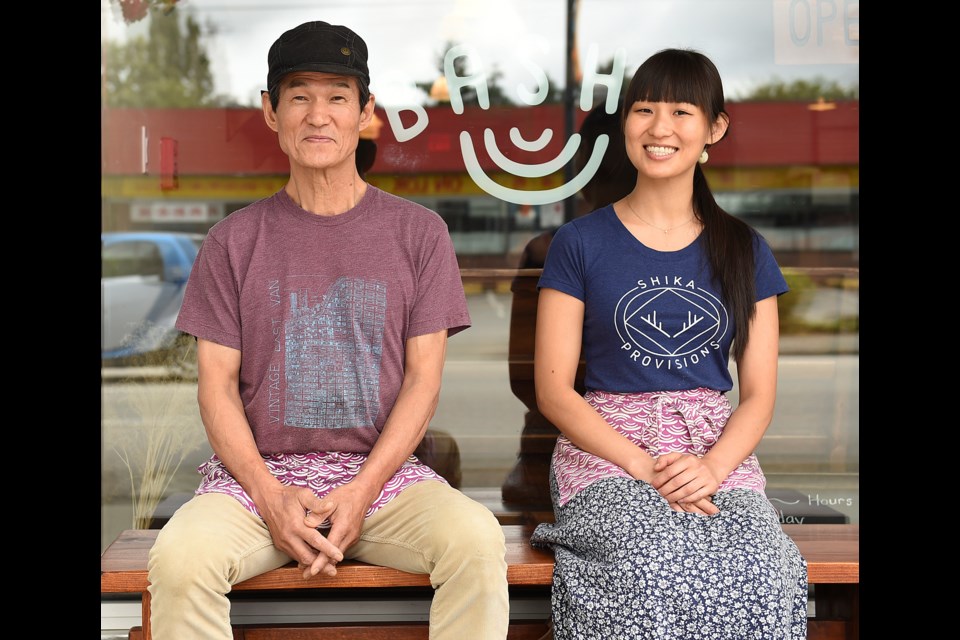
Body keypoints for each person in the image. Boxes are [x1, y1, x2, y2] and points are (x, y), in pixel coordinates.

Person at [146, 21, 509, 640]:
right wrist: (268, 495)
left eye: (338, 96)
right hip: (257, 486)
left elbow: (424, 382)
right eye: (299, 96)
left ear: (366, 111)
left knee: (475, 541)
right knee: (179, 560)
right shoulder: (233, 242)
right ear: (271, 111)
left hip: (385, 481)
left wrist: (362, 491)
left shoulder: (419, 234)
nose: (319, 115)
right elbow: (215, 387)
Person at [529, 49, 807, 638]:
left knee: (768, 570)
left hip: (714, 452)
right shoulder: (578, 243)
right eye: (644, 109)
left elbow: (758, 394)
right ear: (625, 123)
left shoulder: (744, 248)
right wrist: (642, 464)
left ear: (714, 128)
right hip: (607, 454)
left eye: (682, 111)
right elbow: (553, 391)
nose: (659, 128)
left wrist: (710, 469)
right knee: (651, 565)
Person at [501, 102, 636, 508]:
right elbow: (529, 380)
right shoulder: (553, 250)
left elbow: (524, 377)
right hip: (563, 450)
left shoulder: (547, 248)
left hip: (560, 441)